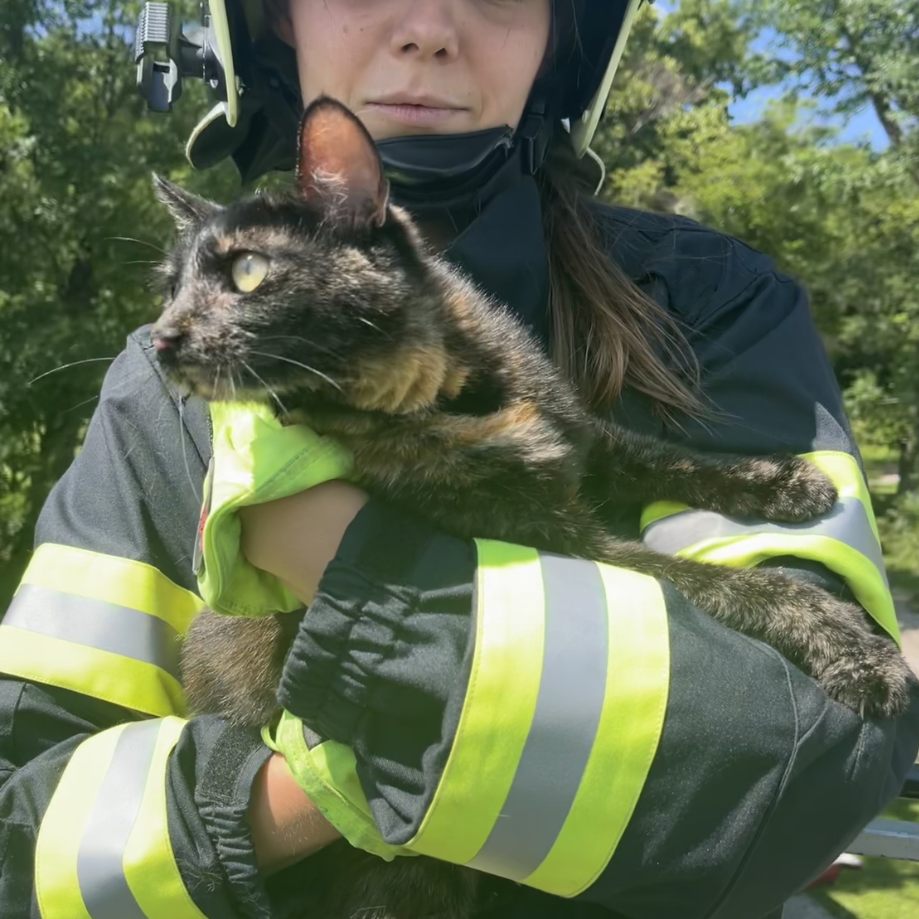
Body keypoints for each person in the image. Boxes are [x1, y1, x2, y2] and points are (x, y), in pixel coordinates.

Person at [1, 1, 917, 917]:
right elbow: (29, 833)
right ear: (272, 24)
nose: (429, 27)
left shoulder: (708, 304)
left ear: (565, 38)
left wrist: (354, 579)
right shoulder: (157, 394)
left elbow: (822, 739)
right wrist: (308, 793)